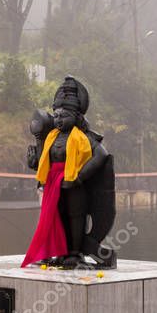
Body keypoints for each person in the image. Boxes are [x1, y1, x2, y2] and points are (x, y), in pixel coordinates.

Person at [22, 76, 117, 269]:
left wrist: (79, 176)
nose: (58, 120)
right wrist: (34, 162)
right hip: (54, 182)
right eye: (56, 116)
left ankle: (75, 253)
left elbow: (101, 155)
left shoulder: (81, 137)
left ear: (76, 116)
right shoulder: (51, 137)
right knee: (59, 215)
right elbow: (44, 161)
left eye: (63, 116)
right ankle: (61, 251)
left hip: (74, 183)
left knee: (76, 216)